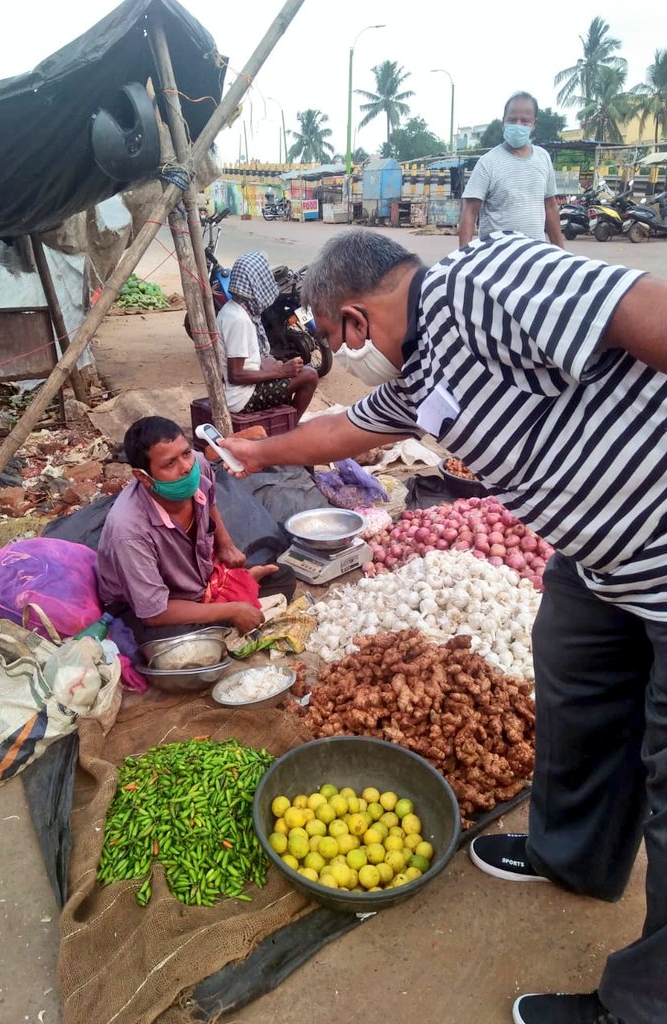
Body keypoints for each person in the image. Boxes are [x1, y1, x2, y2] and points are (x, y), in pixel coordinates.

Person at [222, 228, 667, 1024]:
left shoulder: (483, 278)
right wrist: (259, 455)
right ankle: (574, 855)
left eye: (329, 340)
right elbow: (348, 430)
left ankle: (643, 1009)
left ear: (352, 321)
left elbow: (644, 309)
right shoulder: (419, 372)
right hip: (602, 565)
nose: (337, 356)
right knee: (574, 693)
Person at [95, 416, 294, 645]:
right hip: (153, 606)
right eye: (170, 464)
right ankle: (229, 609)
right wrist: (232, 610)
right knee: (176, 640)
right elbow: (154, 613)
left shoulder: (198, 465)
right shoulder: (129, 531)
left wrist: (225, 543)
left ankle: (228, 600)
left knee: (282, 575)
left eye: (186, 453)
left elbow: (209, 502)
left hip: (199, 580)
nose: (186, 467)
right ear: (143, 477)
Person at [217, 251, 317, 421]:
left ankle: (285, 423)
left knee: (277, 363)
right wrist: (280, 371)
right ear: (256, 283)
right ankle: (290, 428)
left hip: (241, 389)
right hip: (241, 398)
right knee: (310, 375)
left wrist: (274, 366)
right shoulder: (239, 320)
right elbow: (236, 375)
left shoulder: (235, 310)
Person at [459, 91, 565, 249]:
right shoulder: (488, 162)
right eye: (512, 120)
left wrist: (561, 252)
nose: (518, 125)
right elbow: (469, 211)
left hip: (536, 256)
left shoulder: (543, 158)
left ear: (534, 124)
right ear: (503, 122)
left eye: (525, 121)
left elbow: (550, 207)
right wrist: (464, 257)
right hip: (496, 257)